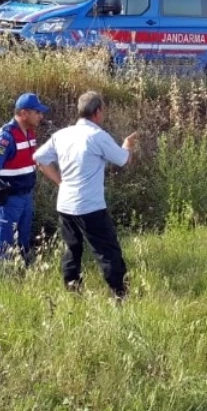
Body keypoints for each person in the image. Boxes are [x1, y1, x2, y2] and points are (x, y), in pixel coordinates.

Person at [33, 91, 138, 297]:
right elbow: (124, 160)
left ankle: (73, 290)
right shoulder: (97, 136)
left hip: (65, 204)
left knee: (72, 249)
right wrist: (128, 145)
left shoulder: (61, 135)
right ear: (98, 112)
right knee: (107, 251)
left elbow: (39, 158)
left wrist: (60, 182)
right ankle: (121, 294)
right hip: (90, 206)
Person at [0, 93, 49, 263]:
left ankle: (22, 277)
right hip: (7, 199)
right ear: (24, 113)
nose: (41, 116)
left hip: (25, 196)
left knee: (23, 242)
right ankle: (1, 280)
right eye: (37, 112)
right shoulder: (6, 137)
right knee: (3, 246)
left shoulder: (29, 133)